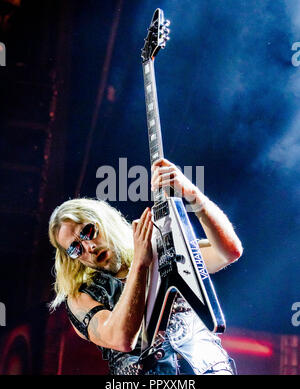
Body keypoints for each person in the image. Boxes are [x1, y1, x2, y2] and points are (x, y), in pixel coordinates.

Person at [48, 158, 243, 375]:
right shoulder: (81, 296)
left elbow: (227, 252)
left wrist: (193, 196)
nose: (89, 246)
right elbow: (120, 338)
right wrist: (140, 265)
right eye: (76, 248)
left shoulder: (159, 249)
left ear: (104, 221)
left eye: (88, 232)